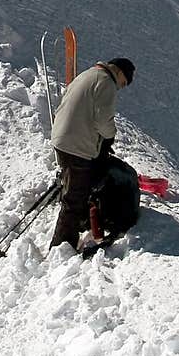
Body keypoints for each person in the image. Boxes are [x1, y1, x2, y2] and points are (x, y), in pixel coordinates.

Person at [49, 57, 136, 250]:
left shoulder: (87, 75)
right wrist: (110, 136)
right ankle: (61, 248)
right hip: (76, 145)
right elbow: (103, 121)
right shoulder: (107, 82)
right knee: (74, 199)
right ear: (120, 72)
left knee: (78, 188)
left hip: (62, 139)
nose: (120, 87)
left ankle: (80, 225)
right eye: (123, 83)